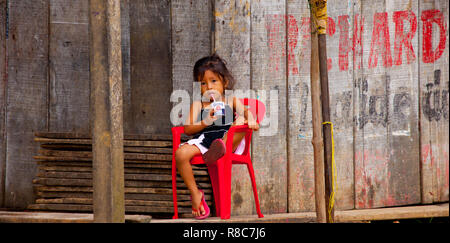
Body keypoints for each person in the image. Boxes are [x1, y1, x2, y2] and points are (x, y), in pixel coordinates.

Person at [175, 54, 259, 219]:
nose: (209, 87)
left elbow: (247, 112)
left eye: (214, 81)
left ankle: (220, 148)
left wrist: (251, 120)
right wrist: (205, 121)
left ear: (224, 83)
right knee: (181, 154)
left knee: (240, 119)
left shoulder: (231, 101)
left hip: (230, 141)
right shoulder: (198, 105)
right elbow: (187, 129)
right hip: (205, 142)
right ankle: (195, 193)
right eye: (203, 83)